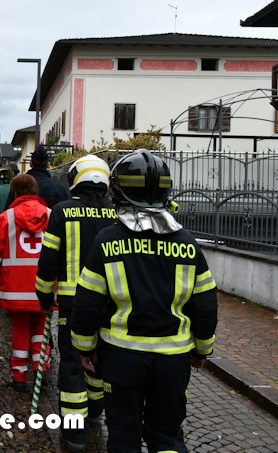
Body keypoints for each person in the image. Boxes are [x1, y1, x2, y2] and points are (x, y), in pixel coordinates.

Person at [70, 149, 218, 453]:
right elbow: (204, 304)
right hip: (173, 360)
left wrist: (84, 348)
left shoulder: (108, 241)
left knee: (124, 436)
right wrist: (202, 350)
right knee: (167, 436)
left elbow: (87, 303)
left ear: (116, 192)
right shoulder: (188, 244)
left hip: (122, 357)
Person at [36, 154, 116, 452]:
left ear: (74, 179)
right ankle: (95, 411)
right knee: (100, 359)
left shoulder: (61, 212)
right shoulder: (117, 215)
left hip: (72, 303)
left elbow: (48, 260)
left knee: (71, 363)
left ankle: (75, 431)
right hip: (110, 305)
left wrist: (44, 297)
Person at [0, 174, 50, 393]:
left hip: (15, 288)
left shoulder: (6, 218)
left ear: (15, 192)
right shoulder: (52, 216)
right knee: (41, 330)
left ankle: (19, 377)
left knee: (20, 329)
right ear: (36, 191)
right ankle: (40, 373)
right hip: (45, 287)